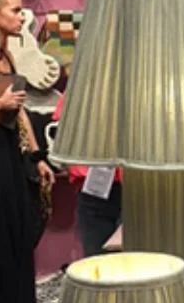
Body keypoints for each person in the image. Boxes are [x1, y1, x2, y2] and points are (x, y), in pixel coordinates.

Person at [0, 0, 55, 303]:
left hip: (9, 152)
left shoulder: (8, 57)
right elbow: (5, 105)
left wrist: (37, 157)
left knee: (18, 227)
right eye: (14, 10)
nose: (22, 16)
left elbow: (20, 110)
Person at [52, 94, 123, 257]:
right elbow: (64, 127)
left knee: (135, 261)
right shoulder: (82, 85)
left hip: (136, 186)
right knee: (97, 261)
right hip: (94, 184)